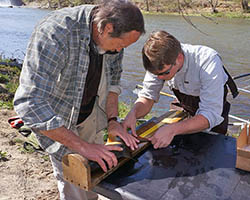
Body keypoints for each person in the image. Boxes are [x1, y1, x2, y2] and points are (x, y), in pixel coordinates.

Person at [13, 0, 145, 199]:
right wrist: (84, 147)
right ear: (107, 28)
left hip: (92, 113)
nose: (119, 51)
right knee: (74, 184)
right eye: (119, 45)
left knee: (94, 178)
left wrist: (112, 121)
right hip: (58, 121)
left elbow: (114, 81)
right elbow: (30, 104)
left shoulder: (116, 35)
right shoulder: (55, 33)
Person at [123, 30, 238, 149]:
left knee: (210, 150)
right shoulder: (157, 61)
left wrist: (172, 129)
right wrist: (134, 113)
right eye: (155, 74)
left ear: (179, 58)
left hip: (211, 111)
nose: (160, 78)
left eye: (164, 73)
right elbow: (148, 96)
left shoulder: (208, 60)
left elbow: (210, 114)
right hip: (183, 105)